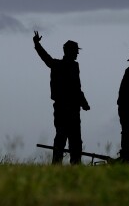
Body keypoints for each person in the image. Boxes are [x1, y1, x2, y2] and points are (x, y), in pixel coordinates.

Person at [33, 31, 90, 165]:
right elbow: (45, 57)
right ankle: (57, 166)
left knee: (75, 140)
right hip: (62, 108)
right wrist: (37, 44)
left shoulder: (75, 66)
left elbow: (77, 87)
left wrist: (83, 102)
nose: (77, 53)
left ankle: (74, 166)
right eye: (75, 51)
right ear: (68, 51)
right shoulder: (57, 65)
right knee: (62, 137)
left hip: (73, 109)